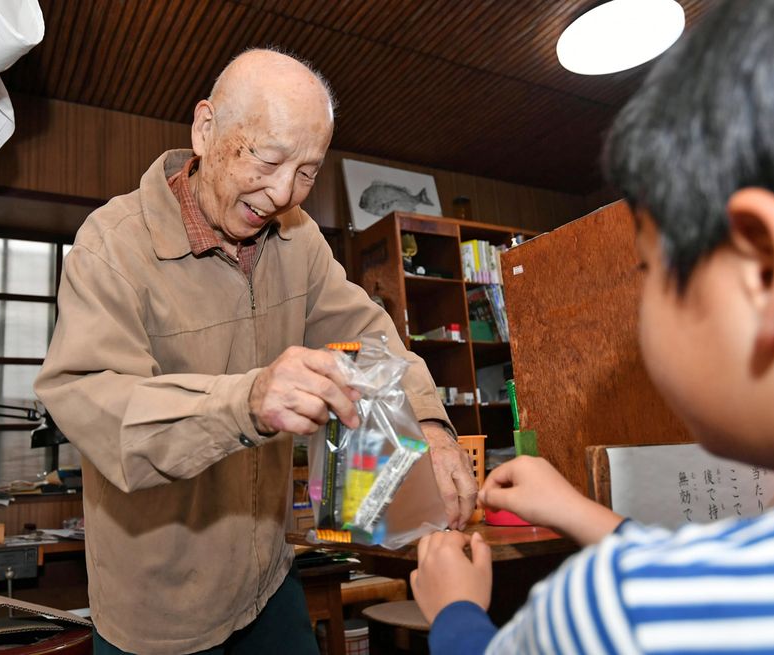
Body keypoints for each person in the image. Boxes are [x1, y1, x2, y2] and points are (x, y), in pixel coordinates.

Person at [410, 1, 774, 653]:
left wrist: (457, 613)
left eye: (646, 267)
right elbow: (701, 577)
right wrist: (580, 511)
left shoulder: (616, 607)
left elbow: (665, 595)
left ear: (762, 271)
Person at [34, 48, 477, 655]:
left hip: (268, 579)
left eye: (308, 172)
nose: (281, 193)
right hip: (159, 608)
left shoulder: (301, 240)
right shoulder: (111, 245)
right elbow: (96, 404)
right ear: (205, 128)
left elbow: (367, 333)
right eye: (267, 159)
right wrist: (247, 402)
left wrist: (430, 421)